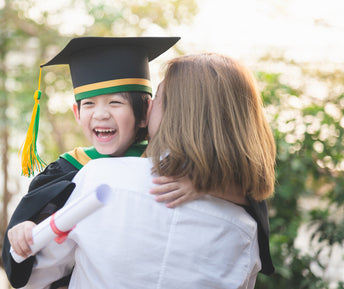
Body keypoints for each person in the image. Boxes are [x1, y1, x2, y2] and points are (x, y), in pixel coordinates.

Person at [20, 52, 276, 288]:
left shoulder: (100, 182)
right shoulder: (246, 225)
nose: (150, 106)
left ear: (176, 113)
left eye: (159, 98)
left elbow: (34, 274)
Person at [2, 36, 188, 288]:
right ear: (77, 114)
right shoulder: (67, 170)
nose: (101, 114)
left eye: (115, 102)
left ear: (145, 113)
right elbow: (29, 249)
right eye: (89, 104)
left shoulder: (167, 163)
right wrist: (24, 229)